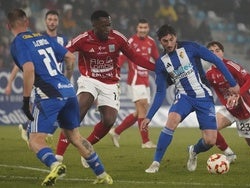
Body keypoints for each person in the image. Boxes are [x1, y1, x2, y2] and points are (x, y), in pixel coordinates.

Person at [7, 8, 113, 185]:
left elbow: (29, 69)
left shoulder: (18, 43)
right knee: (75, 137)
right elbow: (70, 58)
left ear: (8, 25)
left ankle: (55, 165)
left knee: (34, 139)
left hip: (49, 95)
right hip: (68, 91)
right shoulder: (43, 38)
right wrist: (67, 80)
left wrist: (26, 100)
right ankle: (103, 175)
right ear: (27, 23)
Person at [55, 10, 155, 166]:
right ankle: (58, 157)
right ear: (94, 25)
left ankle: (86, 147)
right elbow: (65, 51)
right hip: (89, 80)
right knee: (78, 111)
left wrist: (157, 68)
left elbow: (134, 57)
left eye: (109, 25)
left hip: (110, 84)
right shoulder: (83, 39)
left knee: (109, 120)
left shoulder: (118, 38)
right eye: (104, 26)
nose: (108, 29)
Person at [142, 24, 240, 173]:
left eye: (171, 39)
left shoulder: (191, 47)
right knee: (172, 119)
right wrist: (149, 116)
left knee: (210, 141)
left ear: (176, 37)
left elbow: (217, 60)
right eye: (165, 41)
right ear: (160, 41)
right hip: (184, 97)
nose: (169, 44)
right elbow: (161, 92)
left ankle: (194, 150)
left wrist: (233, 83)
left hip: (204, 97)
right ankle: (155, 163)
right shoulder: (162, 63)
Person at [5, 10, 68, 145]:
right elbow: (21, 65)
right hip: (42, 82)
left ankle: (31, 131)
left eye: (55, 20)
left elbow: (68, 57)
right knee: (47, 112)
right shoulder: (37, 37)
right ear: (45, 21)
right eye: (50, 19)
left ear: (58, 22)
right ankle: (34, 136)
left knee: (58, 111)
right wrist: (10, 83)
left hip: (58, 82)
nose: (52, 22)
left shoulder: (63, 40)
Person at [206, 41, 250, 163]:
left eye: (217, 50)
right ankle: (229, 154)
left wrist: (237, 94)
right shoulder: (209, 73)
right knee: (210, 127)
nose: (214, 53)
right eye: (211, 52)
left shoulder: (231, 66)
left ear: (222, 52)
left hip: (244, 110)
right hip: (229, 109)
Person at [108, 18, 159, 149]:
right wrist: (114, 73)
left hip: (146, 81)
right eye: (140, 28)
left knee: (139, 112)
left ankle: (116, 131)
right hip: (135, 80)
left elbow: (157, 59)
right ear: (137, 28)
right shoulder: (130, 41)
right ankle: (146, 141)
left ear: (148, 29)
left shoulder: (151, 42)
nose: (142, 30)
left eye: (145, 28)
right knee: (142, 108)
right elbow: (121, 59)